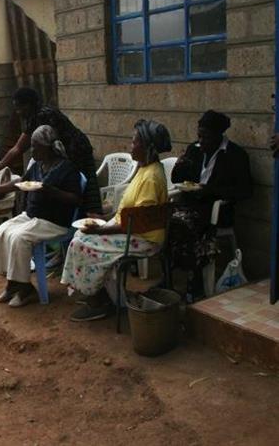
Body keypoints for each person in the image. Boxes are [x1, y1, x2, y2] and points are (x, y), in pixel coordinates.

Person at [60, 119, 171, 322]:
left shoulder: (151, 177)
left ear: (148, 147)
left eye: (135, 142)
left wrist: (99, 230)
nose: (131, 145)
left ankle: (99, 301)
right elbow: (126, 212)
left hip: (144, 238)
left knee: (82, 243)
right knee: (79, 235)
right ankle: (100, 292)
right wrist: (103, 219)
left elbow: (137, 222)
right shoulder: (145, 169)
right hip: (131, 230)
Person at [0, 125, 82, 307]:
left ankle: (26, 289)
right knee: (3, 229)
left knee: (19, 237)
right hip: (33, 216)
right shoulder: (38, 165)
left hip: (54, 221)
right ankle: (13, 283)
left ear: (47, 148)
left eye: (35, 146)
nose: (32, 150)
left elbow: (75, 199)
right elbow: (21, 183)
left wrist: (50, 190)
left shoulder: (67, 168)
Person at [170, 110, 252, 301]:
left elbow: (245, 191)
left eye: (206, 137)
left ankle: (196, 281)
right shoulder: (195, 149)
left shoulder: (235, 155)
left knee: (189, 224)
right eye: (199, 136)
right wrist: (180, 165)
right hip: (191, 205)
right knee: (167, 221)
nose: (201, 141)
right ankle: (171, 276)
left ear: (219, 135)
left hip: (217, 210)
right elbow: (177, 179)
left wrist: (210, 190)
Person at [0, 87, 102, 215]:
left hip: (78, 151)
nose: (18, 112)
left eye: (19, 108)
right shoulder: (35, 118)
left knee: (86, 191)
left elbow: (20, 148)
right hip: (70, 152)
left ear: (28, 104)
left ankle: (87, 219)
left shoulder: (45, 115)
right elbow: (18, 149)